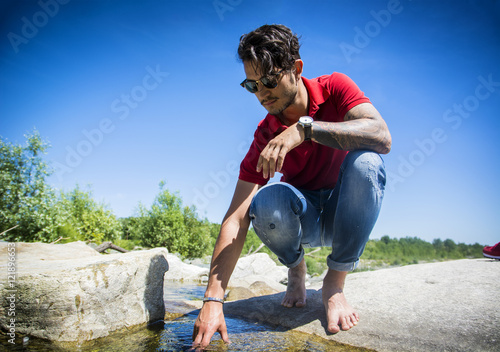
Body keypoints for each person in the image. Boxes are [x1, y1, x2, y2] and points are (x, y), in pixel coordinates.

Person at [192, 24, 391, 349]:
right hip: (303, 219)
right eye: (251, 85)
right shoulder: (265, 134)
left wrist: (305, 129)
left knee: (367, 162)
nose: (261, 93)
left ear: (296, 69)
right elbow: (236, 218)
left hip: (345, 214)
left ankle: (334, 283)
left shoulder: (335, 87)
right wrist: (213, 301)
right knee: (266, 200)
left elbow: (381, 136)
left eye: (269, 80)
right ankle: (296, 268)